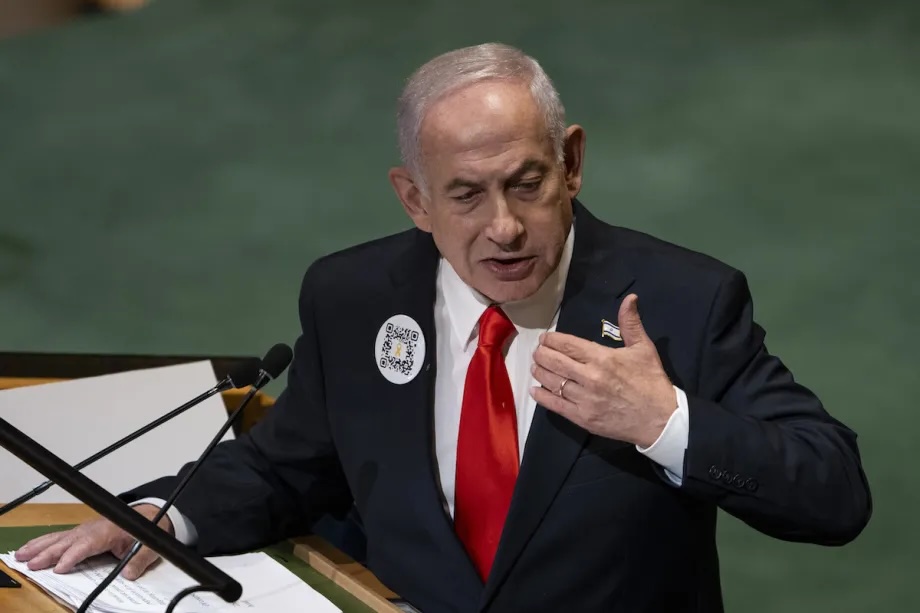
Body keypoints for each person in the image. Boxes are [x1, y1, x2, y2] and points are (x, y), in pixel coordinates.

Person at [15, 43, 871, 612]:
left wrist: (664, 420)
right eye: (465, 194)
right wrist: (167, 514)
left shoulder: (681, 299)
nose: (502, 226)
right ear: (414, 198)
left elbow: (835, 495)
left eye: (527, 183)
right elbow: (291, 469)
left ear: (571, 164)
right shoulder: (354, 297)